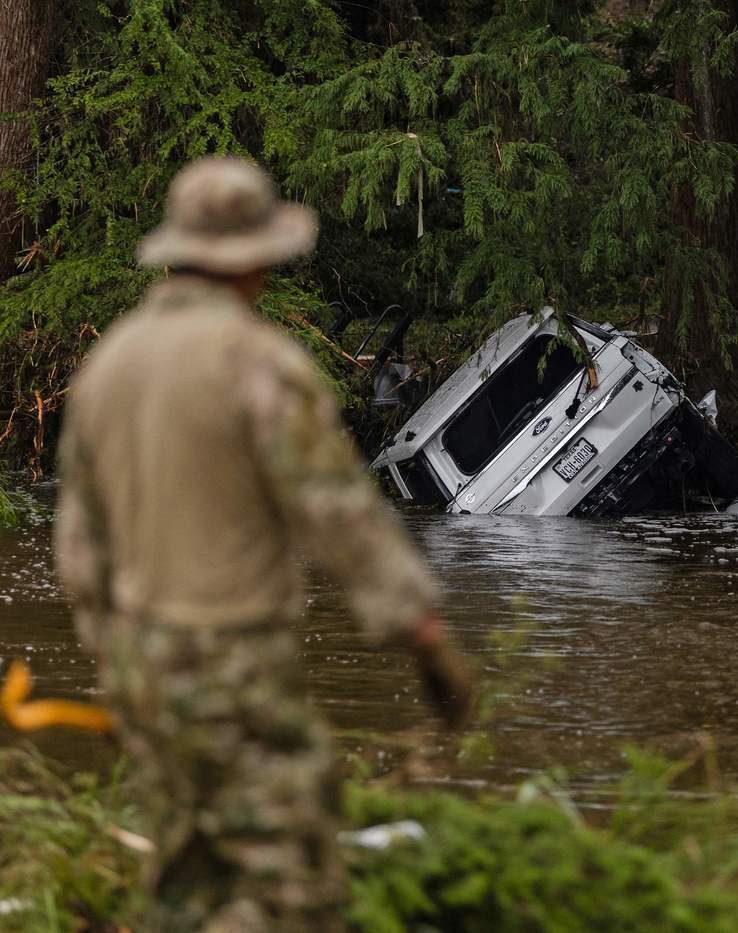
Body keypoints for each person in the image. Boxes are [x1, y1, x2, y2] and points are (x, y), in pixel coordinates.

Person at [52, 156, 476, 932]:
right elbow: (339, 512)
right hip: (234, 660)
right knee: (293, 880)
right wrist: (421, 628)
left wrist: (117, 650)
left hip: (140, 663)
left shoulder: (108, 364)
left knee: (187, 871)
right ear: (256, 261)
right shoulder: (260, 365)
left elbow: (79, 545)